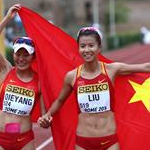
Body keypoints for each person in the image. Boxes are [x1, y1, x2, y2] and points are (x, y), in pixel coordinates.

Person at [38, 26, 150, 150]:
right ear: (78, 48)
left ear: (99, 48)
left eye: (91, 45)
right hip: (83, 141)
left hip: (109, 140)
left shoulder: (111, 70)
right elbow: (60, 100)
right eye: (82, 46)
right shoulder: (72, 76)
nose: (87, 50)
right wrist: (48, 115)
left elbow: (145, 67)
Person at [0, 4, 46, 150]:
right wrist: (7, 18)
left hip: (24, 140)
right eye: (18, 54)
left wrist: (46, 121)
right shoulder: (6, 70)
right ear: (13, 55)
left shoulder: (40, 81)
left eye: (26, 55)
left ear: (33, 57)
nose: (21, 58)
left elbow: (46, 116)